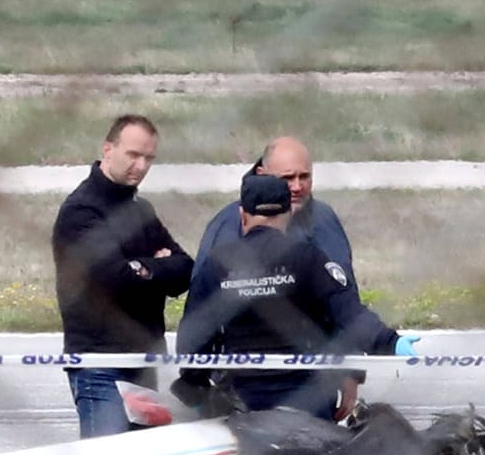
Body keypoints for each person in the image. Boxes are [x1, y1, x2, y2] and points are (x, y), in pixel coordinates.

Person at [174, 173, 416, 419]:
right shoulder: (308, 258)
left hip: (243, 401)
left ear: (242, 215)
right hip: (307, 400)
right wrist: (390, 342)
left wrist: (195, 381)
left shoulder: (218, 264)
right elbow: (348, 314)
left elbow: (195, 335)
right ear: (288, 213)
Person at [194, 136, 368, 418]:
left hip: (314, 383)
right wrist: (201, 379)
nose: (297, 187)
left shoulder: (324, 220)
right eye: (287, 178)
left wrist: (350, 371)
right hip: (244, 388)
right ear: (262, 175)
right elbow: (202, 312)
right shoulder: (228, 226)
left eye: (305, 176)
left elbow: (345, 299)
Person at [52, 114, 194, 438]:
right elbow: (115, 279)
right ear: (108, 149)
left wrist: (143, 268)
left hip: (143, 361)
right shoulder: (82, 211)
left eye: (149, 158)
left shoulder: (140, 210)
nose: (141, 166)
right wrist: (157, 265)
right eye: (133, 155)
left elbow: (185, 269)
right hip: (99, 362)